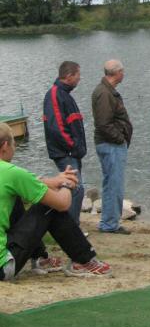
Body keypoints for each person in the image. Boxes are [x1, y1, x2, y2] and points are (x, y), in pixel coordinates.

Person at [0, 123, 112, 280]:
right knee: (49, 206)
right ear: (5, 146)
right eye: (14, 143)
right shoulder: (10, 173)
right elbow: (62, 204)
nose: (15, 147)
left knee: (15, 197)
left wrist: (57, 180)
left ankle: (39, 257)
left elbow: (28, 183)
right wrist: (67, 184)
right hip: (3, 269)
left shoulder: (9, 175)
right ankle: (83, 260)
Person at [91, 59, 133, 235]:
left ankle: (110, 222)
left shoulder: (107, 91)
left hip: (112, 144)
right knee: (113, 184)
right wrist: (120, 139)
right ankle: (109, 224)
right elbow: (103, 124)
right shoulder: (104, 93)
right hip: (110, 145)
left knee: (112, 183)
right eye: (122, 71)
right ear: (117, 73)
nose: (124, 74)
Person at [42, 60, 86, 225]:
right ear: (69, 76)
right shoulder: (55, 94)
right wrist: (73, 147)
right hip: (65, 153)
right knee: (76, 188)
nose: (79, 78)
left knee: (75, 188)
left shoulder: (64, 95)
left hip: (71, 152)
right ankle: (70, 230)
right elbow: (57, 128)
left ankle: (70, 227)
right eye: (78, 75)